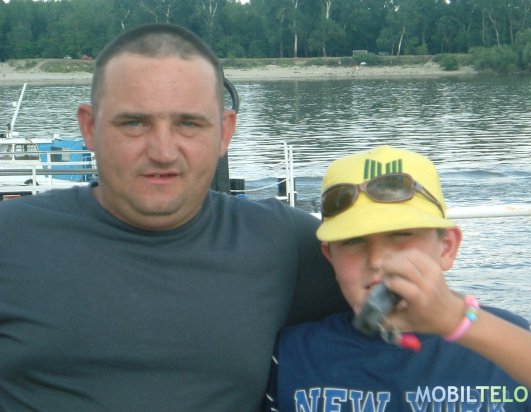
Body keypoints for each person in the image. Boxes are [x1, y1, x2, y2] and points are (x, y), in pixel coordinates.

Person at [0, 24, 348, 411]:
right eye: (134, 123)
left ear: (224, 132)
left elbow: (396, 314)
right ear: (90, 128)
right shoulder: (10, 238)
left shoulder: (285, 244)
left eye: (189, 124)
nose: (163, 152)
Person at [265, 145, 531, 411]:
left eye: (401, 235)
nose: (377, 260)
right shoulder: (291, 354)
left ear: (446, 247)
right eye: (354, 241)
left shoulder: (511, 344)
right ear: (331, 257)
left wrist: (459, 322)